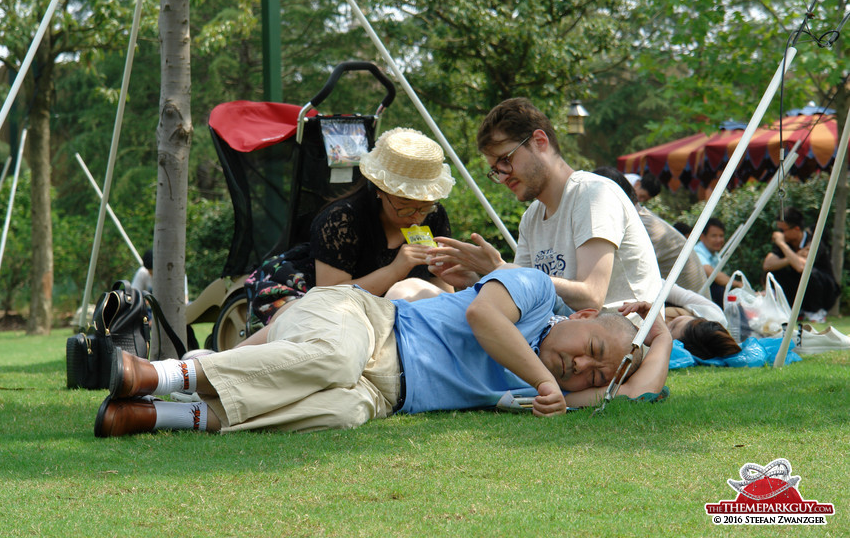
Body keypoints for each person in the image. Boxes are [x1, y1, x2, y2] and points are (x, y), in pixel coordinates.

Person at [93, 267, 673, 437]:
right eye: (592, 348)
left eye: (594, 370)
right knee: (337, 362)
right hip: (365, 321)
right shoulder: (538, 294)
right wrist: (546, 383)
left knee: (341, 410)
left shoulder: (549, 390)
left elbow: (634, 391)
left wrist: (662, 332)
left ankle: (156, 414)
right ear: (587, 315)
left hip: (386, 395)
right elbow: (481, 315)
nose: (583, 368)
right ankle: (163, 373)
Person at [428, 97, 662, 312]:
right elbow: (524, 297)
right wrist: (474, 279)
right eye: (495, 169)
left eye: (504, 161)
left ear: (540, 141)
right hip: (567, 339)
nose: (501, 177)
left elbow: (591, 297)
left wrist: (498, 269)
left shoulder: (593, 193)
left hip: (620, 342)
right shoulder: (531, 218)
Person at [247, 127, 456, 325]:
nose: (416, 217)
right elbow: (329, 297)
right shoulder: (342, 220)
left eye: (425, 206)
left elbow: (441, 288)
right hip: (307, 294)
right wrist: (395, 270)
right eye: (404, 206)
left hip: (383, 313)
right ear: (379, 190)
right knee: (303, 325)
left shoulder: (434, 216)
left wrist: (447, 280)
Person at [593, 167, 709, 298]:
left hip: (689, 310)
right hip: (685, 299)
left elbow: (605, 275)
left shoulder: (639, 226)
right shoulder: (642, 218)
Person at [762, 207, 839, 322]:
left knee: (809, 272)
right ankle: (789, 309)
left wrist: (783, 245)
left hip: (825, 291)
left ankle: (816, 313)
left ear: (796, 229)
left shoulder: (813, 241)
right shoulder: (785, 243)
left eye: (783, 230)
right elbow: (767, 264)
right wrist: (793, 256)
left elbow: (801, 267)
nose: (779, 234)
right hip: (799, 289)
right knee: (774, 271)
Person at [693, 217, 742, 308]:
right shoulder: (697, 252)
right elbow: (716, 277)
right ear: (702, 237)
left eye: (721, 236)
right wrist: (739, 285)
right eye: (714, 236)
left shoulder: (714, 255)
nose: (718, 240)